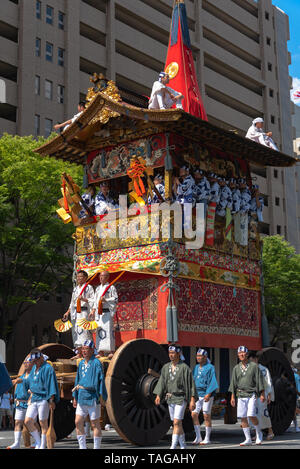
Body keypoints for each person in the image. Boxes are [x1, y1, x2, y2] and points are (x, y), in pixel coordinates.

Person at [154, 345, 198, 450]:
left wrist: (192, 400)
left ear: (178, 354)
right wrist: (158, 395)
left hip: (180, 398)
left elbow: (191, 384)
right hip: (170, 398)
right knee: (177, 423)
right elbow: (162, 382)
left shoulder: (184, 368)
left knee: (176, 422)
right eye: (170, 353)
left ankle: (173, 446)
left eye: (173, 353)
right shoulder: (166, 367)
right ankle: (183, 445)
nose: (171, 355)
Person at [72, 340, 108, 450]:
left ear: (92, 350)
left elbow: (101, 380)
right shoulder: (81, 363)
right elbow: (77, 379)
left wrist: (102, 396)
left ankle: (96, 447)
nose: (84, 351)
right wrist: (75, 396)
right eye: (82, 349)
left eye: (86, 349)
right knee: (78, 421)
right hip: (81, 395)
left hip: (92, 396)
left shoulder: (97, 363)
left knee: (95, 424)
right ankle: (82, 447)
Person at [229, 346, 265, 446]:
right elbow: (233, 383)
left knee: (251, 414)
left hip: (251, 394)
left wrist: (262, 394)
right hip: (240, 394)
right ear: (238, 355)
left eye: (243, 353)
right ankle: (248, 439)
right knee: (243, 417)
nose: (241, 355)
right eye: (239, 353)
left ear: (247, 354)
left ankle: (259, 433)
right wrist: (232, 396)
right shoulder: (236, 368)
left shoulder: (254, 366)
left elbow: (259, 380)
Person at [24, 350, 60, 450]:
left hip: (44, 398)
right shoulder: (34, 368)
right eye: (33, 361)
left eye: (35, 360)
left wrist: (51, 401)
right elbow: (29, 381)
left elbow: (51, 384)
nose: (34, 363)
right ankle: (39, 442)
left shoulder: (48, 368)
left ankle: (42, 445)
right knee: (28, 421)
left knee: (43, 423)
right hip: (34, 397)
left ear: (41, 358)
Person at [191, 349, 218, 445]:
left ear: (205, 357)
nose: (198, 358)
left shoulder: (210, 367)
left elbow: (212, 381)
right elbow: (193, 381)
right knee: (194, 414)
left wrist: (209, 393)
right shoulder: (196, 367)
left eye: (200, 356)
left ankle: (207, 438)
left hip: (206, 394)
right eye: (197, 356)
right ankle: (198, 436)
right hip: (198, 394)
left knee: (206, 415)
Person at [7, 357, 35, 449]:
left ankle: (39, 441)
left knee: (33, 423)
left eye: (28, 362)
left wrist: (17, 380)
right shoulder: (22, 375)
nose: (25, 364)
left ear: (32, 364)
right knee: (18, 423)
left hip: (29, 403)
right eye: (25, 362)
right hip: (19, 403)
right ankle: (16, 443)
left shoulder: (33, 376)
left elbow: (27, 381)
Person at [63, 270, 95, 349]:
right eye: (77, 277)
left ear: (85, 278)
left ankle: (87, 349)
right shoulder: (75, 289)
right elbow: (72, 302)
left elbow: (93, 300)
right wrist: (67, 312)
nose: (79, 278)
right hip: (75, 312)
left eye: (81, 277)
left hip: (84, 312)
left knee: (84, 331)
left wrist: (84, 299)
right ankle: (79, 351)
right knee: (76, 331)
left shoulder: (89, 287)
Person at [90, 271, 118, 356]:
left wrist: (106, 300)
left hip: (107, 312)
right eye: (100, 276)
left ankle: (111, 351)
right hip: (99, 313)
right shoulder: (98, 288)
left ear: (107, 277)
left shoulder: (111, 287)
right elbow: (95, 300)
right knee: (99, 331)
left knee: (108, 331)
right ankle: (100, 351)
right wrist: (93, 310)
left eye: (103, 276)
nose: (101, 278)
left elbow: (115, 299)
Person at [248, 351, 275, 441]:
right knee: (254, 413)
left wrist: (269, 394)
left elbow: (269, 382)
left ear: (256, 359)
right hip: (253, 395)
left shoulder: (264, 369)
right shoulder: (249, 370)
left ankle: (270, 431)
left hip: (263, 394)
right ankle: (258, 433)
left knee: (264, 413)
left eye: (252, 360)